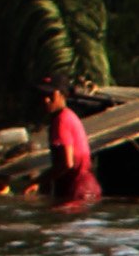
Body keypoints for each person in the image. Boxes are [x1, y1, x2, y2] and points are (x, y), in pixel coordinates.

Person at [36, 81, 99, 209]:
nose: (46, 100)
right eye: (43, 95)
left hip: (77, 191)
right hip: (85, 188)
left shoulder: (61, 120)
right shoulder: (68, 116)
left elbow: (67, 163)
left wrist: (38, 181)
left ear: (62, 96)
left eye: (51, 95)